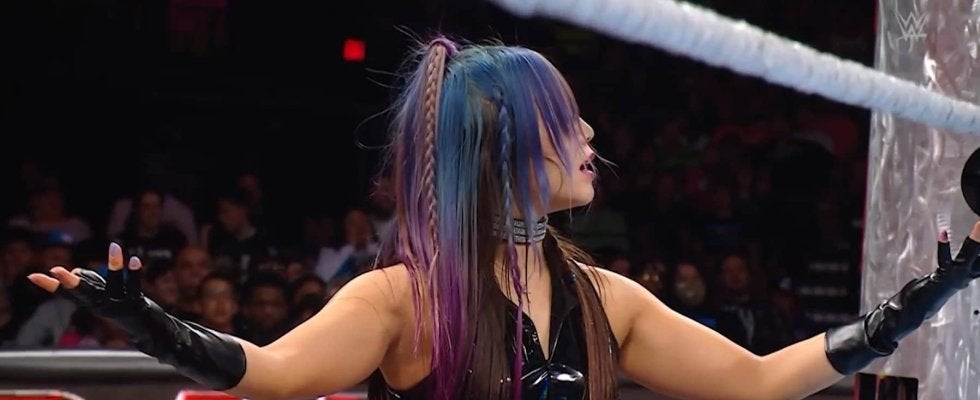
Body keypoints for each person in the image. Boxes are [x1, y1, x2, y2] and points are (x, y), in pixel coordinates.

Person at [25, 37, 980, 400]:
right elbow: (271, 375)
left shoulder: (605, 299)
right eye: (567, 121)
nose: (590, 135)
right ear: (509, 148)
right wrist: (146, 321)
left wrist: (927, 295)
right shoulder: (400, 300)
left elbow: (761, 381)